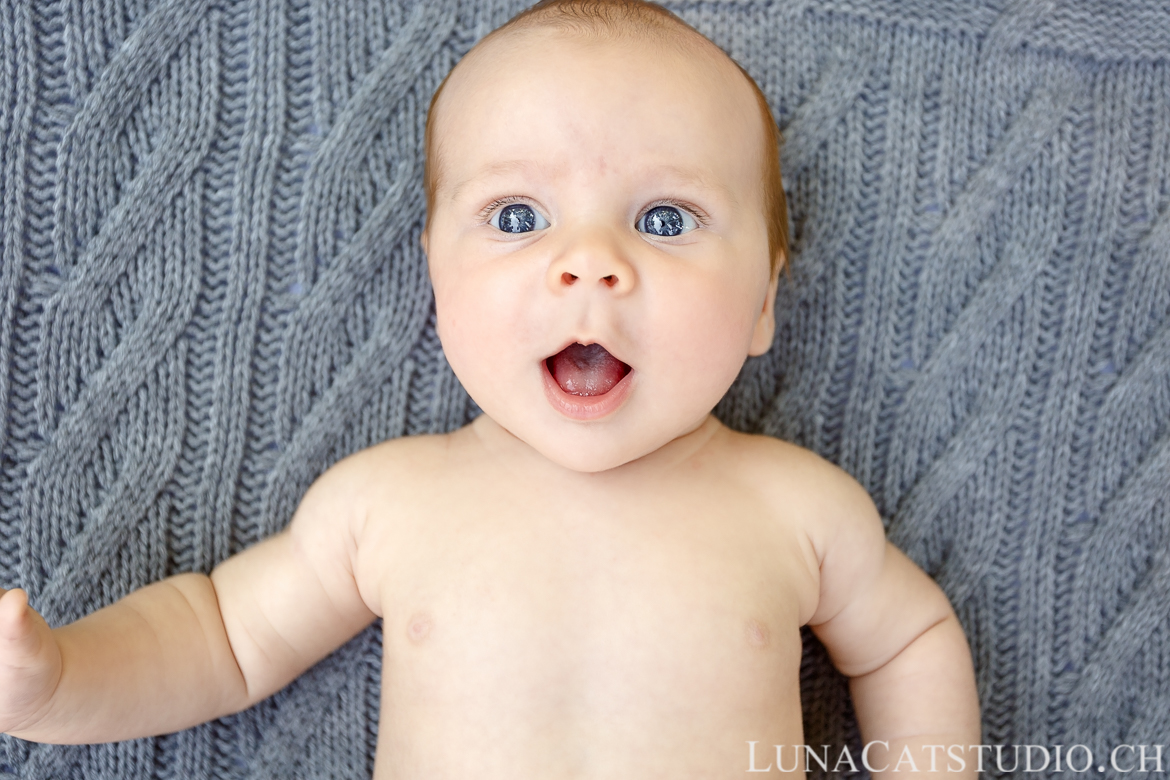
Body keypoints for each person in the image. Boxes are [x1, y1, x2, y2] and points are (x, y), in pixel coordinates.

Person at [0, 1, 980, 775]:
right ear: (437, 281)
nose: (590, 264)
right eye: (518, 216)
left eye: (667, 220)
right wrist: (63, 682)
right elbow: (219, 639)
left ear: (764, 297)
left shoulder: (795, 506)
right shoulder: (390, 501)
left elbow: (909, 640)